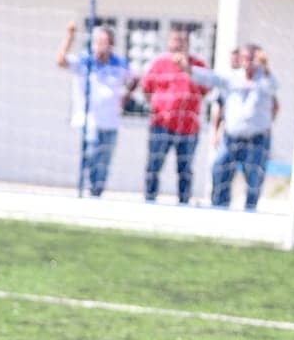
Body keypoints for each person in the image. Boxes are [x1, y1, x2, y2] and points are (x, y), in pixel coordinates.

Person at [187, 43, 279, 211]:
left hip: (257, 139)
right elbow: (211, 78)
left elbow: (273, 89)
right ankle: (219, 209)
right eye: (244, 58)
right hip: (231, 137)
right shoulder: (233, 78)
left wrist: (265, 67)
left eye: (251, 58)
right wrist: (188, 69)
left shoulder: (265, 78)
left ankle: (250, 211)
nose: (247, 62)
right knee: (219, 168)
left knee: (254, 179)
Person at [54, 21, 136, 198]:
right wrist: (69, 37)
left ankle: (96, 194)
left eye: (104, 42)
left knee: (104, 162)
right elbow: (60, 61)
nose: (100, 46)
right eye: (98, 41)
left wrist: (125, 96)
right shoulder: (85, 60)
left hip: (110, 121)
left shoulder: (119, 64)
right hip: (89, 120)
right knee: (90, 155)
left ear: (111, 44)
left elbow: (135, 78)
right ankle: (83, 191)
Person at [139, 29, 208, 204]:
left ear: (188, 44)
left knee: (185, 169)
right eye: (175, 40)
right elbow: (146, 88)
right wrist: (161, 106)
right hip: (161, 125)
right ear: (169, 42)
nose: (178, 44)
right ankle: (149, 200)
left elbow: (207, 88)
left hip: (188, 128)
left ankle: (184, 202)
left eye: (182, 40)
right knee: (154, 165)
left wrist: (187, 69)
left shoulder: (197, 65)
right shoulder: (159, 63)